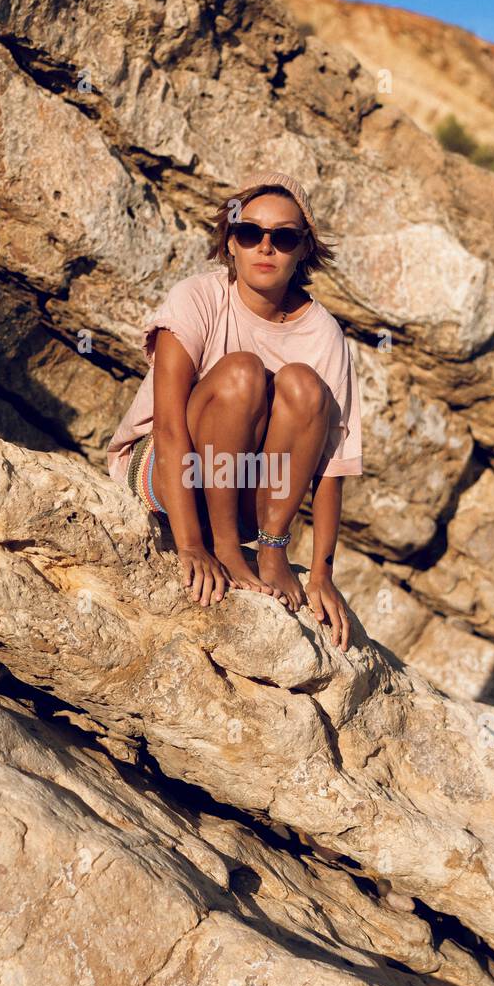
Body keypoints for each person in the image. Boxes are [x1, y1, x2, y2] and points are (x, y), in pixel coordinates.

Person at [106, 171, 362, 650]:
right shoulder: (197, 298)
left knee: (306, 387)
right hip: (165, 472)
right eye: (250, 233)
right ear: (231, 242)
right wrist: (192, 545)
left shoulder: (323, 333)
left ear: (304, 249)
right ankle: (227, 545)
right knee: (243, 373)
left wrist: (323, 574)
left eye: (283, 237)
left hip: (247, 500)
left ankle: (269, 550)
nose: (265, 247)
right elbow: (167, 425)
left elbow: (332, 466)